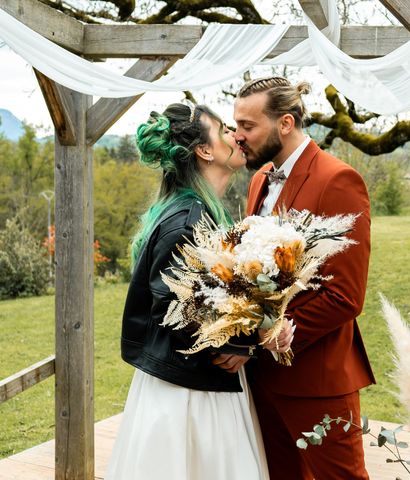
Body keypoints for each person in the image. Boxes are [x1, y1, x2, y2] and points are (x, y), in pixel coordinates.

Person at [106, 103, 292, 480]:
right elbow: (173, 313)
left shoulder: (201, 212)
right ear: (204, 151)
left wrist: (258, 327)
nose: (236, 136)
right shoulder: (187, 222)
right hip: (189, 397)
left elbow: (212, 298)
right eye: (225, 130)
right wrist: (252, 340)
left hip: (195, 383)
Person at [223, 76, 376, 480]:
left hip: (317, 379)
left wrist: (271, 337)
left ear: (285, 123)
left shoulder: (338, 180)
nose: (238, 137)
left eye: (248, 126)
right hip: (261, 378)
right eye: (236, 125)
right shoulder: (259, 179)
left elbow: (345, 295)